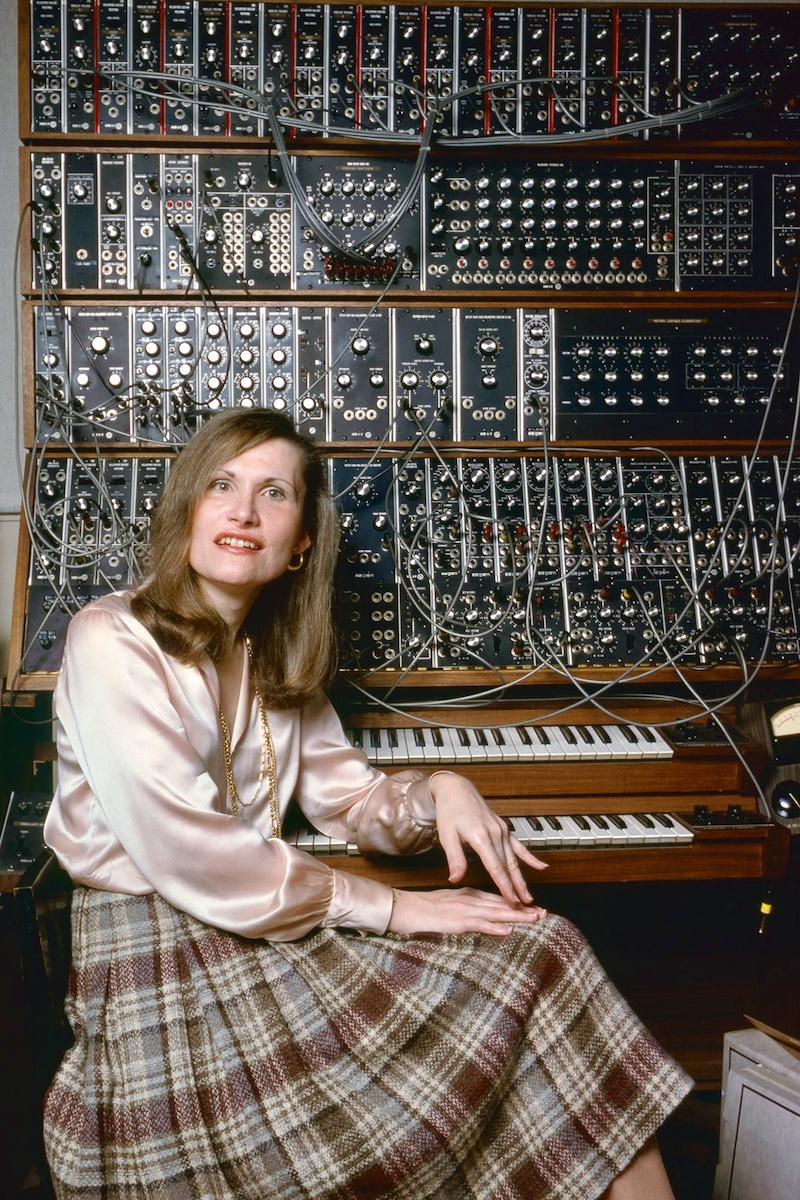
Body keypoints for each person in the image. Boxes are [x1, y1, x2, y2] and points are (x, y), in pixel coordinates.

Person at [43, 408, 691, 1200]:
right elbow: (188, 850)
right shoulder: (109, 635)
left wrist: (440, 790)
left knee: (544, 947)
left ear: (302, 541)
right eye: (221, 486)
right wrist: (394, 908)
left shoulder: (273, 654)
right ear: (188, 508)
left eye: (273, 493)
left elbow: (350, 799)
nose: (243, 512)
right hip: (156, 959)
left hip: (256, 928)